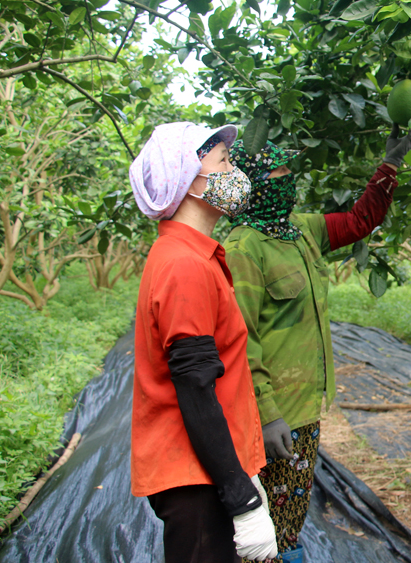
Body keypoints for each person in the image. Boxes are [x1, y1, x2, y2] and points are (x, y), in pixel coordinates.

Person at [222, 125, 411, 558]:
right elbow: (241, 339)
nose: (288, 177)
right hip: (273, 414)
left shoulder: (300, 231)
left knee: (289, 520)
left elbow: (360, 221)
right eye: (277, 174)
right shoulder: (244, 248)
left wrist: (391, 164)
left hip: (305, 405)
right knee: (265, 529)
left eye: (287, 169)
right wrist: (268, 413)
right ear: (252, 184)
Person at [129, 122, 278, 563]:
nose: (235, 172)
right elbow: (195, 384)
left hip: (208, 466)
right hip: (195, 478)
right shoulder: (184, 266)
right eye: (224, 162)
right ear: (190, 179)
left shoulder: (195, 256)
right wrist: (242, 498)